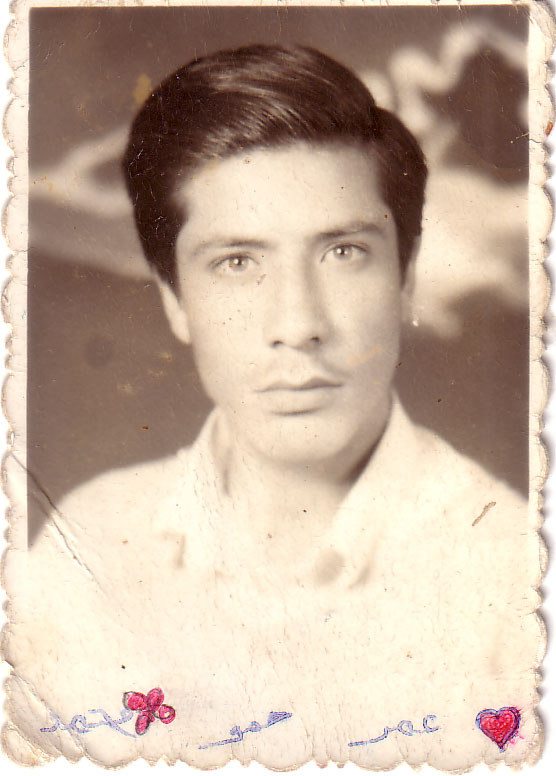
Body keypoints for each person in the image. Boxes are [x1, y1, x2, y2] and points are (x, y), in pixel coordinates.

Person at [7, 45, 540, 769]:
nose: (297, 324)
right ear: (175, 301)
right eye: (237, 262)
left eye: (343, 252)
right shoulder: (87, 549)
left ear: (406, 278)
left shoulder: (516, 573)